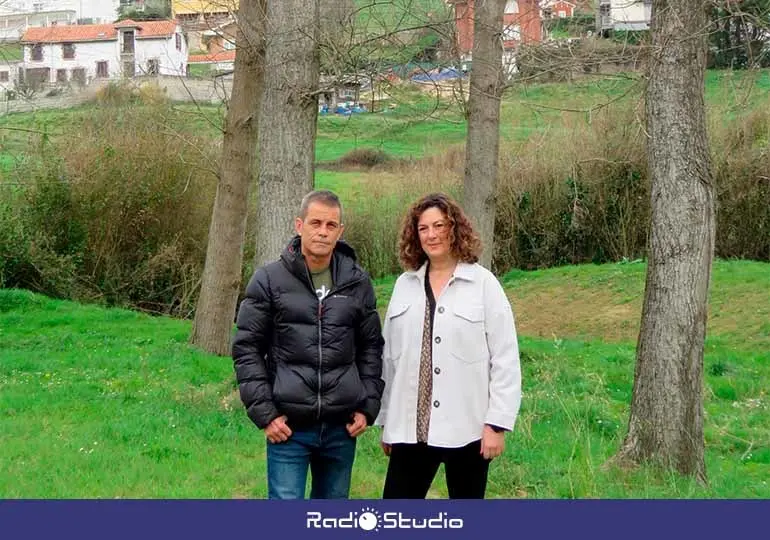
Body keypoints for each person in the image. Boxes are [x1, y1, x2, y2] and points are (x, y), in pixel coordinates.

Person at [232, 190, 384, 499]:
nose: (323, 231)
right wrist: (265, 413)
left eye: (331, 225)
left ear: (340, 231)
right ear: (299, 225)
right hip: (289, 427)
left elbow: (371, 348)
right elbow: (247, 348)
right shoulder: (269, 280)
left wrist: (367, 406)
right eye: (316, 223)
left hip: (342, 428)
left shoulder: (357, 282)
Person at [375, 192, 522, 499]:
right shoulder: (404, 286)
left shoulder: (483, 285)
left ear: (455, 228)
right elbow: (389, 358)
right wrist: (387, 421)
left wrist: (496, 424)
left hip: (467, 429)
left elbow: (505, 357)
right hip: (410, 429)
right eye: (423, 228)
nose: (432, 234)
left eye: (439, 225)